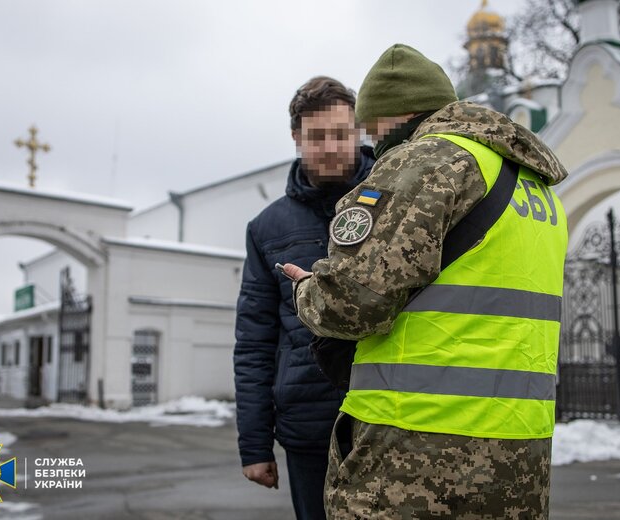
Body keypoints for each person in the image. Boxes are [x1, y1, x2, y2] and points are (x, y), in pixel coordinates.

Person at [283, 44, 569, 519]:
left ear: (394, 115)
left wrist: (306, 291)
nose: (374, 144)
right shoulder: (534, 188)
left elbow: (352, 302)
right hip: (521, 449)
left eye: (372, 130)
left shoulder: (426, 161)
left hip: (416, 450)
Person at [233, 76, 375, 520]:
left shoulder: (397, 201)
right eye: (316, 136)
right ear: (297, 137)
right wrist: (255, 445)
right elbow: (255, 341)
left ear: (358, 131)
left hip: (391, 419)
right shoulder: (267, 228)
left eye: (340, 133)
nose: (330, 147)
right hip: (310, 429)